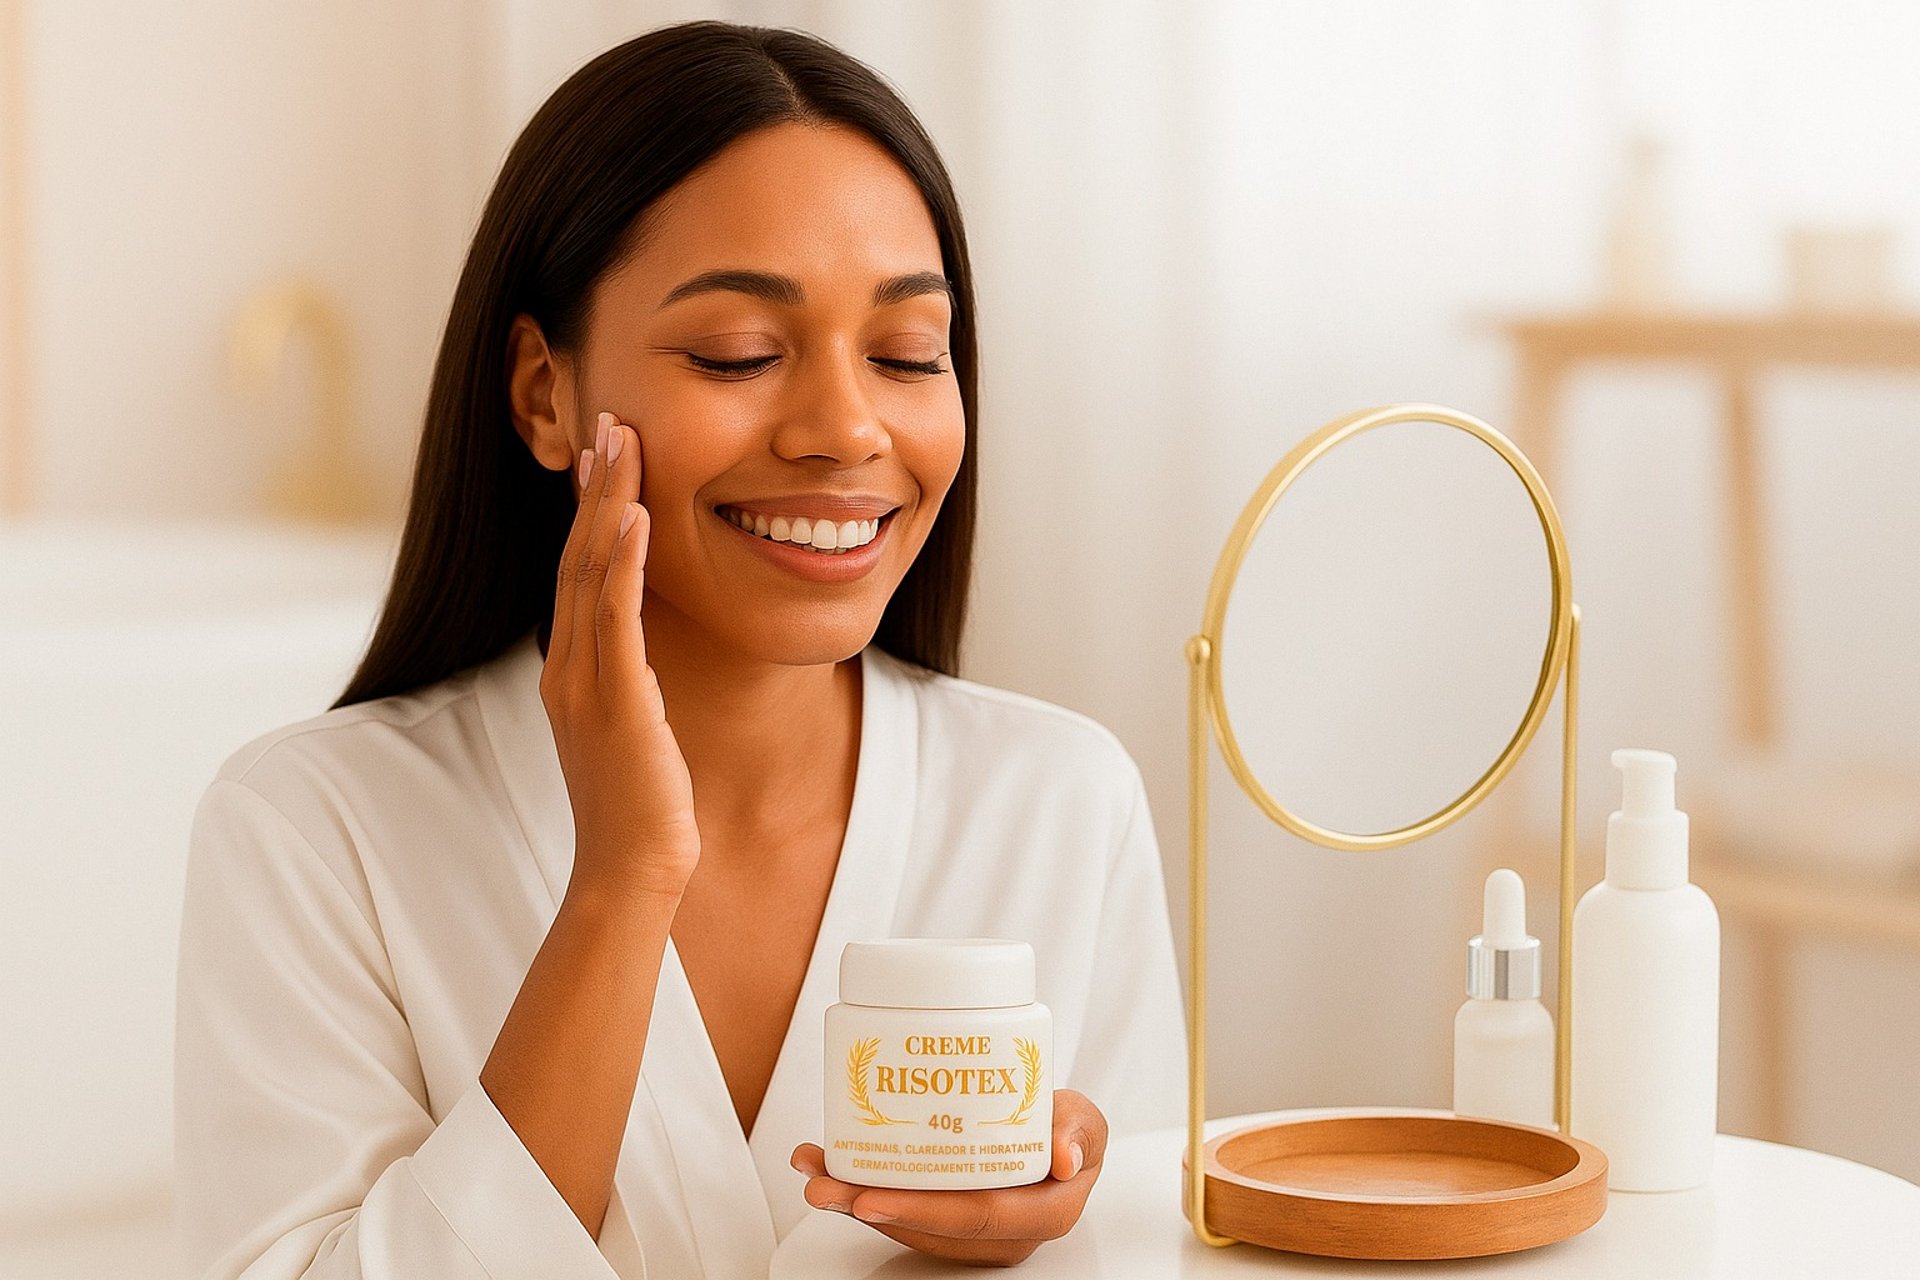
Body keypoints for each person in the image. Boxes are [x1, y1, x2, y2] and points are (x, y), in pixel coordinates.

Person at [173, 19, 1186, 1280]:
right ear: (546, 392)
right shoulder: (315, 828)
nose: (845, 427)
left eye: (906, 354)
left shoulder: (1058, 799)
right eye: (740, 354)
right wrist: (621, 880)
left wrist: (1037, 1239)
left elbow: (1152, 1252)